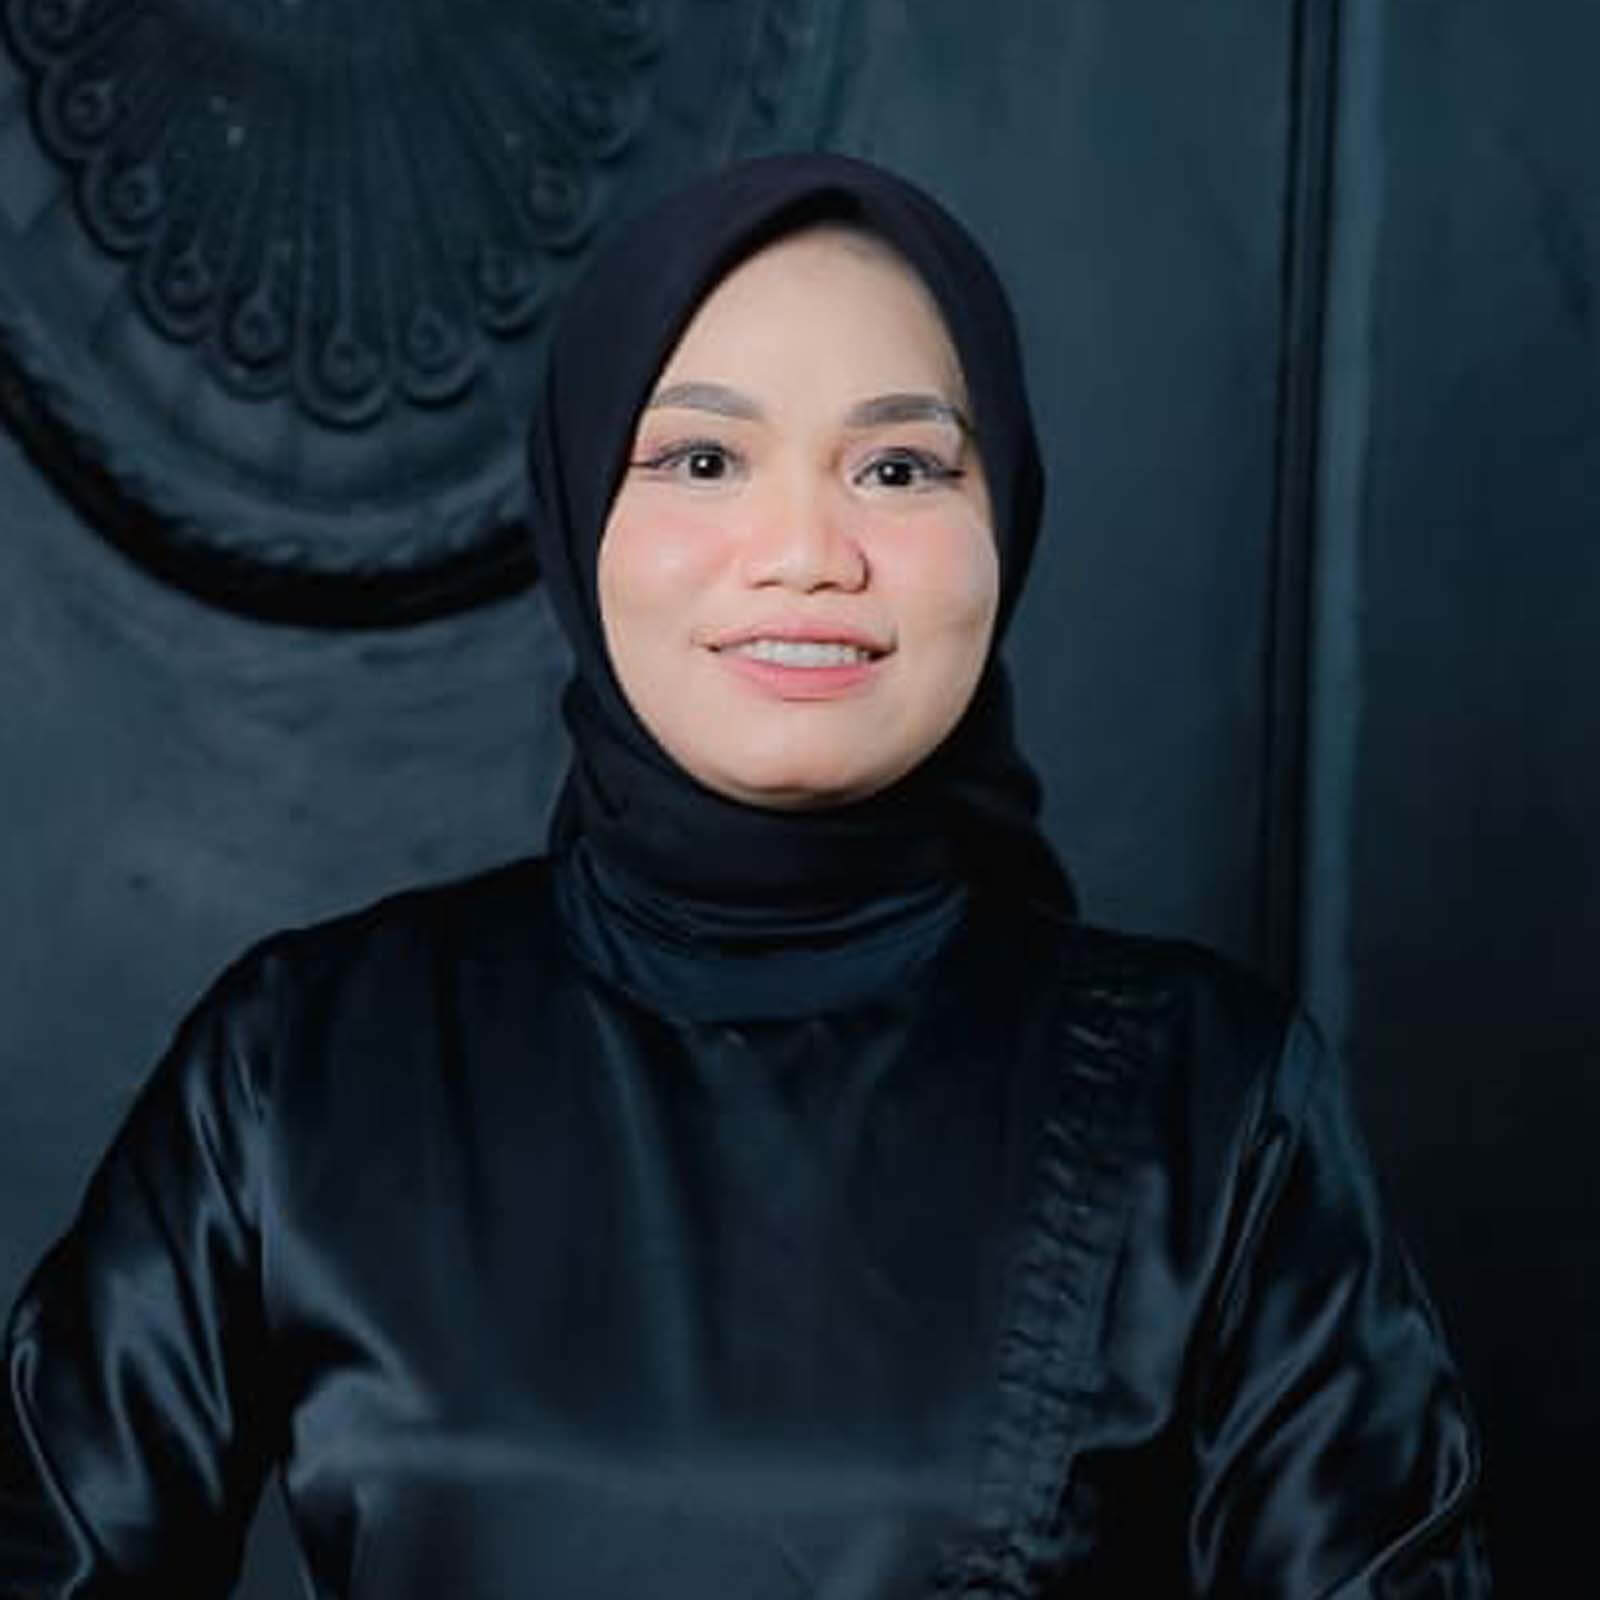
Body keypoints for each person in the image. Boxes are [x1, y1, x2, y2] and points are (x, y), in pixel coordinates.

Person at [0, 153, 1488, 1596]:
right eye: (704, 459)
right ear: (581, 504)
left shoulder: (1211, 1103)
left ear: (1006, 523)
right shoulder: (302, 1062)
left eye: (898, 467)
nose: (806, 552)